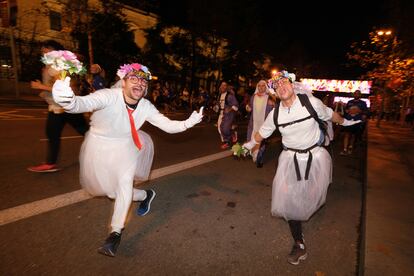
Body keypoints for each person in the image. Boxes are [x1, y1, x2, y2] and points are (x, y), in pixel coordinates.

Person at [51, 63, 203, 257]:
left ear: (146, 88)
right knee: (112, 193)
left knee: (123, 186)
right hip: (98, 146)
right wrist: (67, 100)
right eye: (133, 79)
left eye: (143, 81)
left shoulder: (146, 106)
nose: (139, 83)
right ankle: (145, 195)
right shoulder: (108, 95)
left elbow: (168, 126)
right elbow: (82, 104)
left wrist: (189, 122)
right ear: (123, 82)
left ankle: (114, 234)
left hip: (126, 146)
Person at [243, 70, 361, 265]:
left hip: (315, 158)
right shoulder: (276, 114)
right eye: (277, 86)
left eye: (284, 83)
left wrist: (346, 121)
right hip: (290, 160)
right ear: (275, 93)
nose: (281, 87)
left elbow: (331, 115)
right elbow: (261, 134)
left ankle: (305, 204)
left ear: (292, 84)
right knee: (289, 200)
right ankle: (299, 243)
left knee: (311, 196)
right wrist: (247, 146)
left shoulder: (311, 103)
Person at [27, 40, 89, 173]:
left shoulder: (59, 66)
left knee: (84, 131)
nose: (44, 53)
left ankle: (106, 145)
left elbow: (66, 87)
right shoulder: (51, 65)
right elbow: (54, 86)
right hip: (58, 107)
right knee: (54, 133)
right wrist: (45, 93)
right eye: (43, 51)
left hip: (66, 106)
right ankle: (50, 163)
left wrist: (40, 86)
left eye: (46, 50)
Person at [245, 80, 275, 167]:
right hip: (253, 123)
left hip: (264, 124)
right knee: (252, 138)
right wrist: (248, 108)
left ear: (266, 87)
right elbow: (250, 107)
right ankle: (254, 154)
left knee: (261, 141)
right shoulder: (253, 96)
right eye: (259, 86)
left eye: (263, 86)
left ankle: (259, 158)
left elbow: (278, 106)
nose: (261, 87)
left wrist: (273, 104)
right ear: (257, 87)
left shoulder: (269, 97)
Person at [216, 81, 239, 149]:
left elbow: (236, 106)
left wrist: (229, 109)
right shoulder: (219, 95)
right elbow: (218, 105)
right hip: (221, 114)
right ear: (220, 87)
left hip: (229, 114)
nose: (223, 86)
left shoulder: (230, 96)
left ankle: (230, 136)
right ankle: (227, 141)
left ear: (227, 87)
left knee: (225, 129)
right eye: (222, 85)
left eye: (224, 85)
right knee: (220, 129)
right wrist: (216, 107)